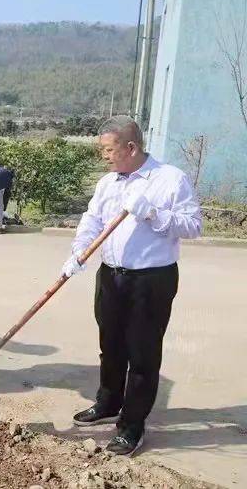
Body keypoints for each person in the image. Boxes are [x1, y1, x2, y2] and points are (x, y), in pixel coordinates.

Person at [61, 116, 201, 456]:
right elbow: (92, 219)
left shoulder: (169, 180)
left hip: (151, 281)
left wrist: (153, 213)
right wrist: (79, 251)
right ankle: (108, 402)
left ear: (131, 147)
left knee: (141, 354)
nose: (104, 157)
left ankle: (132, 425)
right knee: (110, 346)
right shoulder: (109, 183)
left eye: (108, 150)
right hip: (111, 276)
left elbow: (193, 225)